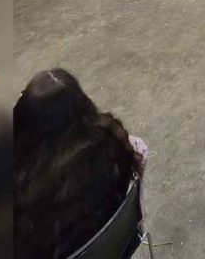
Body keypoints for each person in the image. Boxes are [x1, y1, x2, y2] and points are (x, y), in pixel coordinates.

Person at [14, 68, 148, 258]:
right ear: (82, 104)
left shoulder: (26, 192)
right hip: (116, 245)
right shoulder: (112, 142)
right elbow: (140, 150)